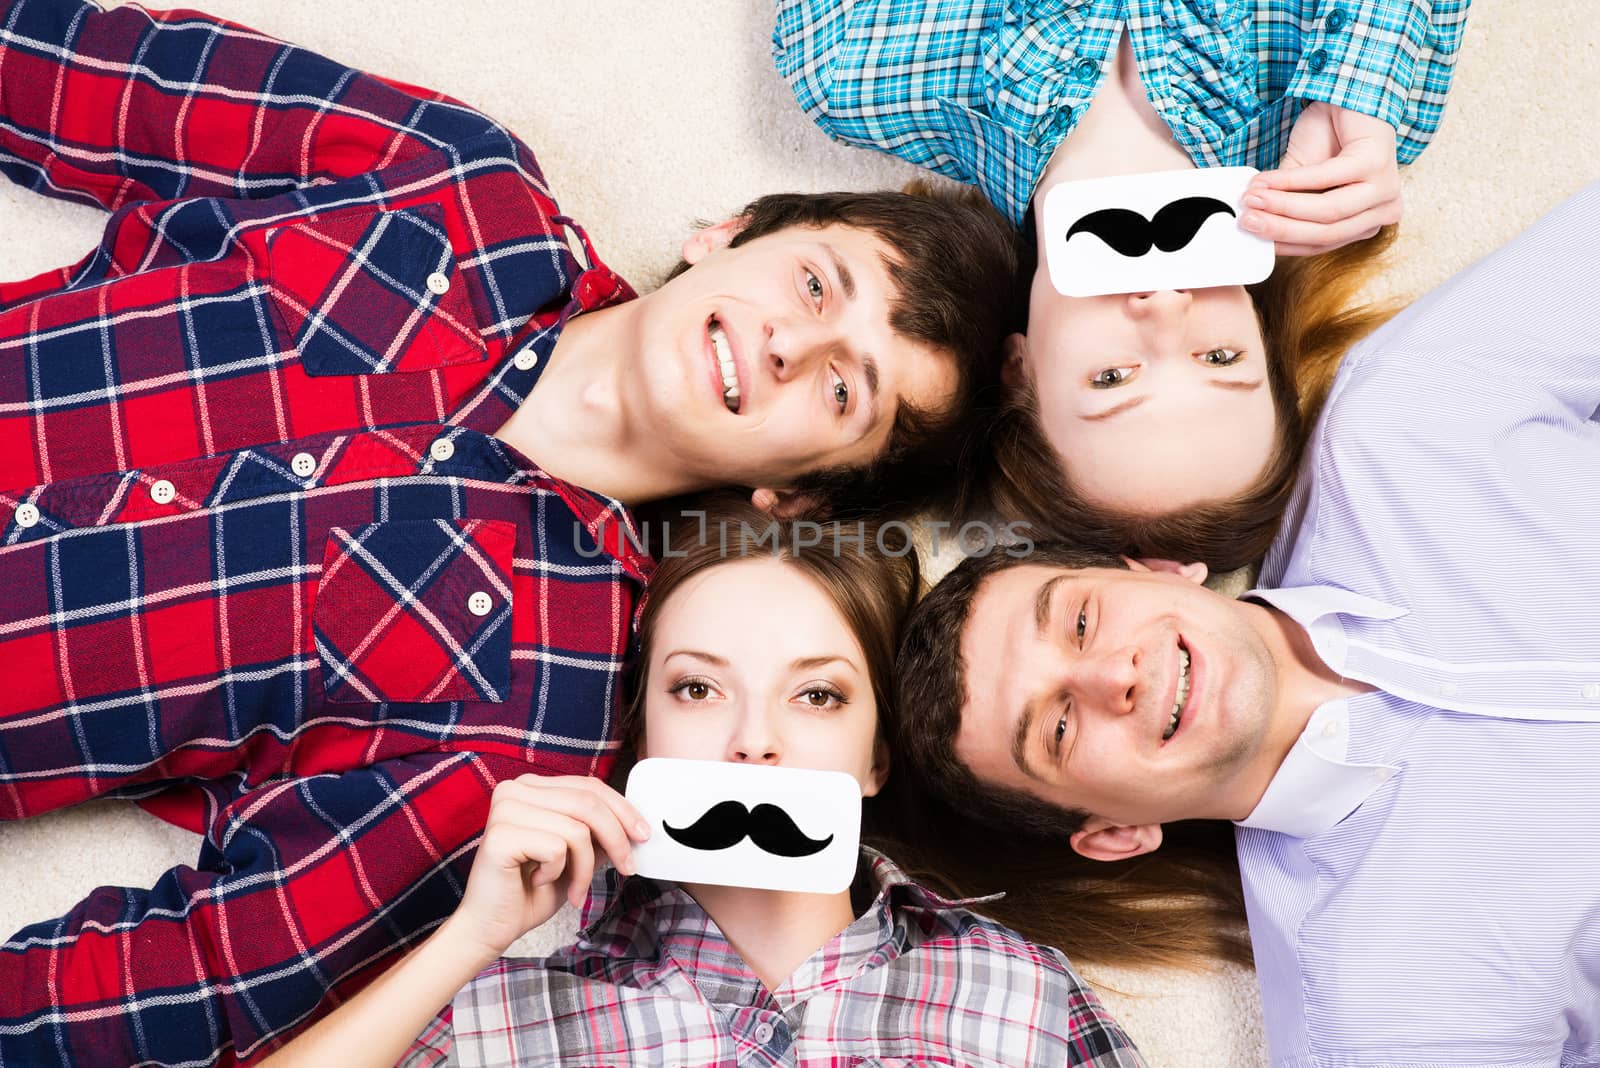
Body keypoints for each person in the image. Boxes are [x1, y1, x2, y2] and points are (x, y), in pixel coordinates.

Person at [0, 1, 1021, 1064]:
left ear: (799, 497)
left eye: (844, 391)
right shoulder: (451, 180)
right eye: (816, 283)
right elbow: (95, 75)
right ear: (732, 229)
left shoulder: (535, 716)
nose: (788, 345)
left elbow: (210, 977)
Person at [893, 183, 1600, 1064]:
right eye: (1061, 727)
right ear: (1116, 836)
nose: (1113, 676)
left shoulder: (1400, 428)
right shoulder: (1374, 1019)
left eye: (1080, 622)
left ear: (1154, 566)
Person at [254, 501, 1147, 1068]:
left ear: (878, 757)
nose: (753, 741)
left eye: (817, 694)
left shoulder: (1020, 990)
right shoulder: (498, 1019)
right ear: (642, 736)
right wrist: (467, 939)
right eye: (696, 688)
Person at [773, 0, 1469, 569]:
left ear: (1020, 366)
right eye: (1221, 358)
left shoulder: (850, 69)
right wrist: (1365, 86)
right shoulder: (1354, 119)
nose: (1166, 309)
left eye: (1113, 377)